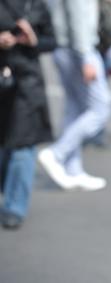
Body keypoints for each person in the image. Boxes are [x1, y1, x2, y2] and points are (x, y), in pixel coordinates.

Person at [38, 0, 111, 191]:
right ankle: (57, 153)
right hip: (78, 49)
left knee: (74, 109)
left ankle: (73, 169)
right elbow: (78, 15)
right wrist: (86, 55)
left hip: (66, 47)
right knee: (100, 109)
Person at [0, 0, 56, 229]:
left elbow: (51, 41)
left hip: (27, 82)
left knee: (24, 145)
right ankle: (9, 190)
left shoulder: (36, 5)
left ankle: (15, 206)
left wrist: (32, 41)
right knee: (6, 145)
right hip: (4, 80)